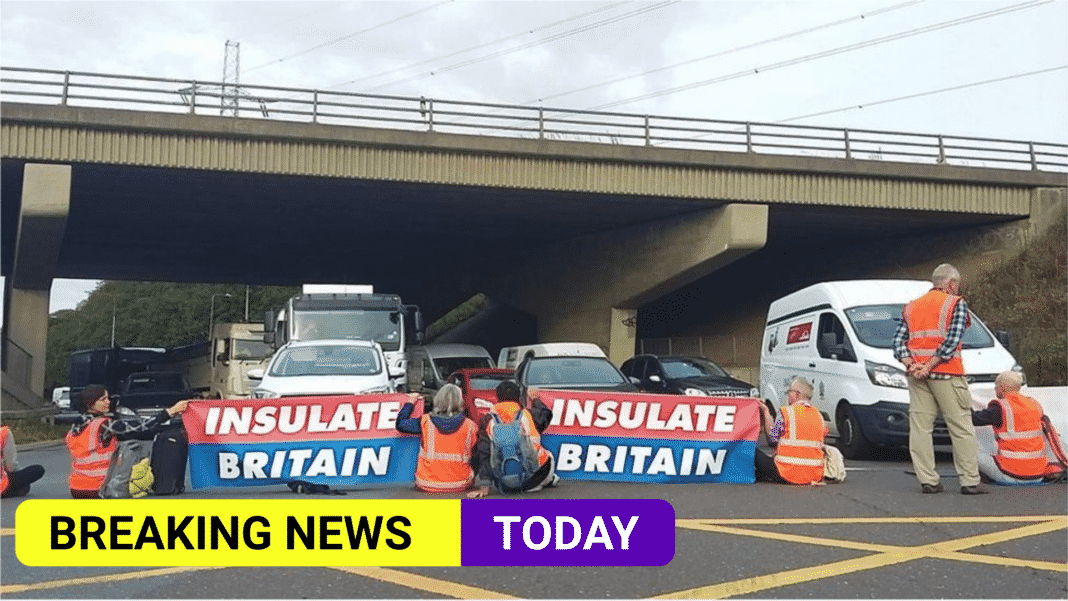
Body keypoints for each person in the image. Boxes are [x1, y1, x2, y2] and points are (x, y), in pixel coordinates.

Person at [893, 263, 985, 495]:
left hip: (917, 377)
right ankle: (969, 481)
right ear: (951, 283)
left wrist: (913, 365)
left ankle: (928, 481)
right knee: (960, 427)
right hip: (947, 374)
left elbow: (897, 343)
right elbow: (951, 341)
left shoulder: (911, 307)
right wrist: (930, 365)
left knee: (921, 429)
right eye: (957, 285)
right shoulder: (955, 303)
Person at [66, 384, 190, 499]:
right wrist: (171, 411)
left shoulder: (76, 426)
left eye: (108, 398)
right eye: (103, 399)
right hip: (99, 487)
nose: (108, 402)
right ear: (90, 403)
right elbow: (142, 426)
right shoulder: (103, 424)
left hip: (76, 488)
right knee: (133, 448)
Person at [971, 371, 1067, 485]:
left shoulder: (1000, 408)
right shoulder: (1034, 404)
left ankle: (971, 480)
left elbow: (974, 419)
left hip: (1009, 473)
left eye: (996, 386)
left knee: (969, 450)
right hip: (1038, 473)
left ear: (1002, 387)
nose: (995, 389)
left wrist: (963, 404)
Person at [467, 381, 557, 498]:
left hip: (505, 485)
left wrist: (485, 485)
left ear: (498, 398)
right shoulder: (529, 415)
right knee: (548, 454)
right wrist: (535, 399)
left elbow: (484, 454)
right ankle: (551, 479)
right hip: (535, 479)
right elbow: (546, 413)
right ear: (519, 397)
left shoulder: (488, 421)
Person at [396, 383, 480, 493]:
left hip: (427, 483)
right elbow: (477, 456)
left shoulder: (425, 421)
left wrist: (410, 403)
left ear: (438, 399)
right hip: (460, 483)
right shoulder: (471, 426)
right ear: (461, 401)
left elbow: (401, 424)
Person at [756, 377, 827, 485]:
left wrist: (766, 412)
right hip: (814, 475)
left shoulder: (786, 412)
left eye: (789, 391)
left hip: (786, 472)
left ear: (797, 394)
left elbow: (772, 439)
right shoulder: (819, 416)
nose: (788, 395)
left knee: (751, 450)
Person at [1, 425, 45, 497]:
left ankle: (13, 491)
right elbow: (11, 466)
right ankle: (12, 491)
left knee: (24, 485)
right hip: (4, 485)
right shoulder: (4, 433)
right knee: (38, 470)